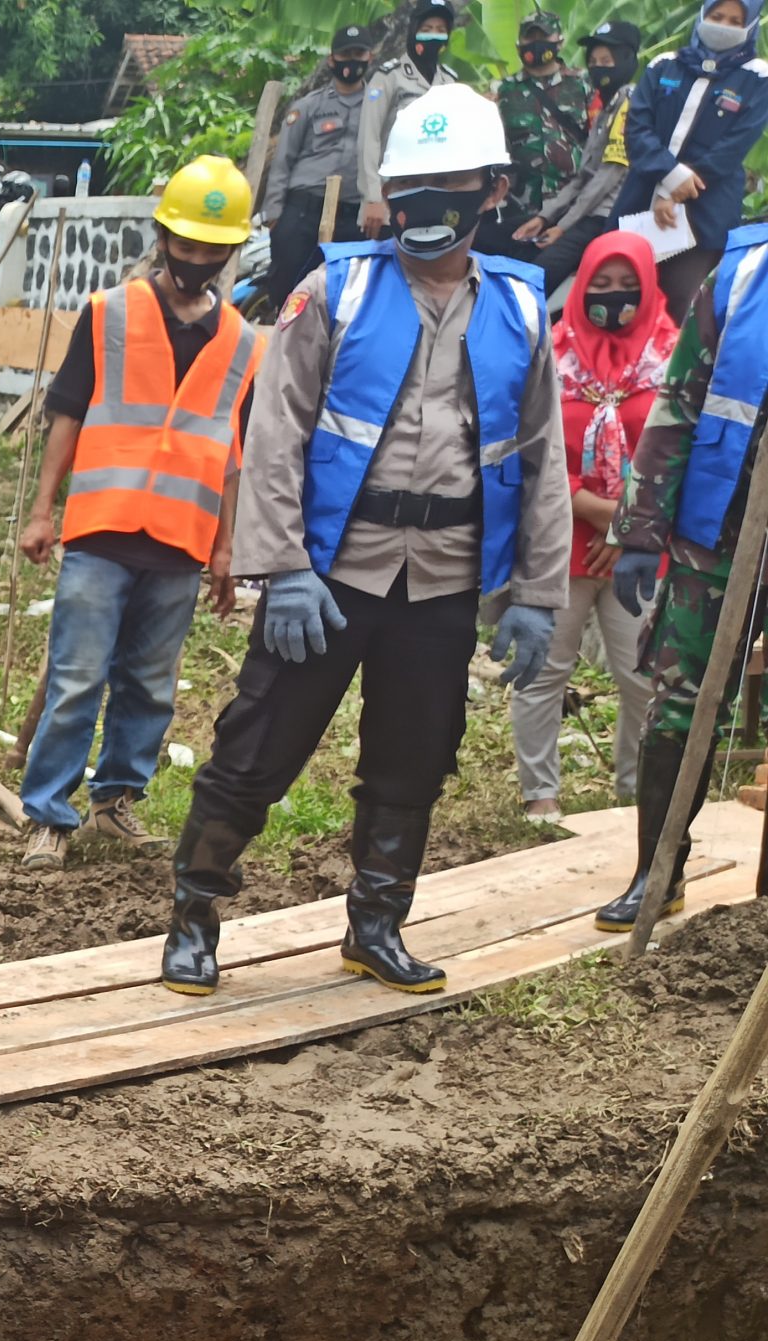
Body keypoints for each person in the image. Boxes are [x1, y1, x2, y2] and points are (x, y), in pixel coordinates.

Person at [164, 85, 569, 997]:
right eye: (409, 188)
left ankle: (376, 924)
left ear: (492, 190)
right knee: (256, 746)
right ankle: (193, 916)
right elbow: (274, 436)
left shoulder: (519, 309)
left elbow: (542, 460)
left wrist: (538, 594)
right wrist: (281, 569)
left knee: (414, 755)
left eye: (448, 186)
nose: (424, 207)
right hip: (331, 574)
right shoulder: (333, 289)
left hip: (444, 579)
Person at [13, 158, 265, 871]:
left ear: (229, 251)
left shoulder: (245, 341)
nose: (194, 261)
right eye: (183, 246)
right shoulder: (110, 313)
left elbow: (231, 453)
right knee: (76, 677)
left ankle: (115, 800)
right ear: (162, 238)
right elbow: (64, 415)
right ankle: (48, 816)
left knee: (151, 687)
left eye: (209, 250)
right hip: (101, 527)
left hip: (181, 543)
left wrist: (224, 550)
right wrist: (42, 512)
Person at [599, 215, 768, 929]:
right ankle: (657, 869)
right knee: (681, 702)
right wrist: (641, 530)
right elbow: (678, 406)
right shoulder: (741, 275)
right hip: (721, 531)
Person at [509, 231, 669, 822]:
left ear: (649, 288)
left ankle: (633, 792)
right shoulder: (551, 356)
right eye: (599, 285)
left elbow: (679, 455)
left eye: (627, 287)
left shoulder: (676, 360)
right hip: (560, 540)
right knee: (545, 669)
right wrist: (603, 516)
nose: (613, 297)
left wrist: (626, 528)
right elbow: (534, 451)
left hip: (641, 549)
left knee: (641, 677)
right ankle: (540, 798)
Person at [615, 0, 768, 318]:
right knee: (621, 297)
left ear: (750, 26)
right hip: (639, 202)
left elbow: (733, 147)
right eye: (716, 16)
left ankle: (668, 371)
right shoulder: (663, 65)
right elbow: (638, 129)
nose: (723, 25)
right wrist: (669, 176)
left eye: (734, 20)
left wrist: (675, 191)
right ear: (702, 16)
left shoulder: (757, 78)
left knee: (679, 307)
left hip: (705, 212)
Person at [508, 19, 646, 295]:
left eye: (606, 60)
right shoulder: (605, 109)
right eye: (593, 60)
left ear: (627, 60)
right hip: (584, 211)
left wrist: (563, 227)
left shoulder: (630, 104)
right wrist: (546, 218)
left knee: (540, 275)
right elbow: (584, 175)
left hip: (607, 215)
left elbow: (607, 177)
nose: (597, 67)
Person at [260, 24, 378, 308]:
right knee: (290, 294)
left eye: (358, 53)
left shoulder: (381, 108)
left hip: (354, 217)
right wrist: (274, 216)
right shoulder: (308, 107)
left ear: (369, 57)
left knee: (351, 300)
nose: (352, 60)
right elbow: (283, 160)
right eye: (345, 53)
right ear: (331, 59)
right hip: (303, 214)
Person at [490, 11, 593, 257]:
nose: (535, 43)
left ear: (560, 41)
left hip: (572, 204)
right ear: (519, 44)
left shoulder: (584, 84)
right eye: (529, 37)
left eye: (543, 36)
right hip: (521, 206)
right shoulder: (503, 91)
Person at [360, 2, 464, 239]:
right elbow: (369, 140)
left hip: (438, 196)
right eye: (427, 27)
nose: (434, 35)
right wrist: (373, 198)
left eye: (441, 29)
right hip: (393, 195)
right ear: (414, 28)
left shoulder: (449, 80)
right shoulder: (388, 76)